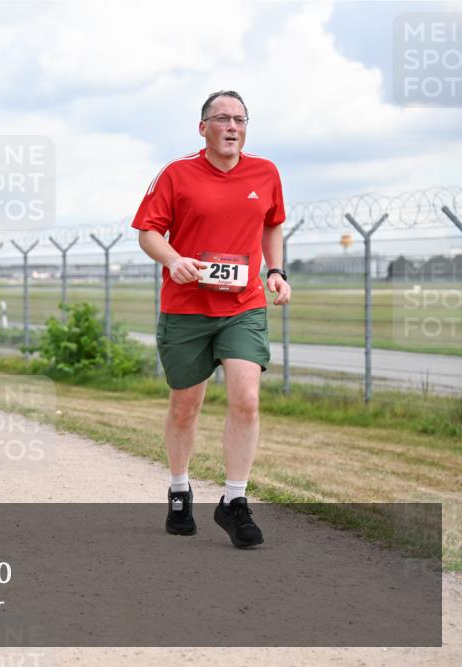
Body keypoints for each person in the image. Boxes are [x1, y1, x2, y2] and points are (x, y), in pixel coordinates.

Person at [132, 90, 291, 548]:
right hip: (186, 308)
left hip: (243, 305)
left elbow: (272, 221)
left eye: (240, 119)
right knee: (187, 405)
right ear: (203, 127)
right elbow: (147, 232)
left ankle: (234, 502)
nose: (232, 127)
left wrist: (275, 270)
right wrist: (174, 258)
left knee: (246, 399)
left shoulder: (266, 172)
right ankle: (180, 489)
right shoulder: (177, 173)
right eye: (222, 118)